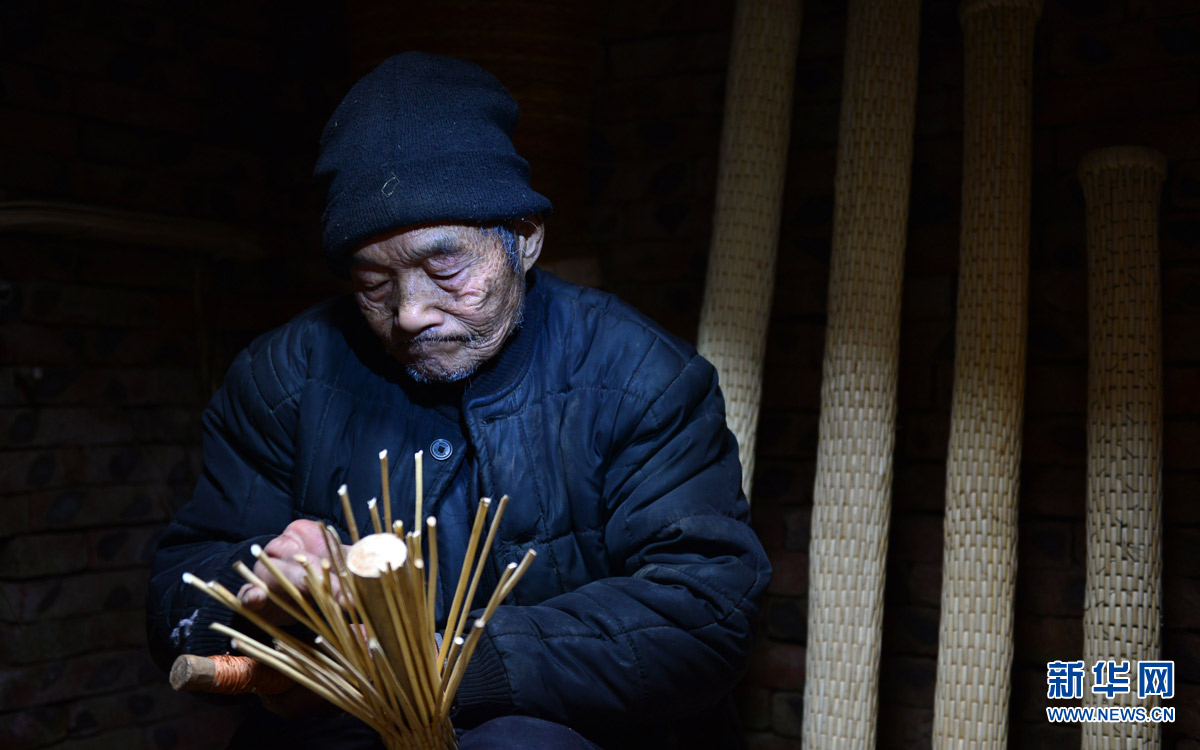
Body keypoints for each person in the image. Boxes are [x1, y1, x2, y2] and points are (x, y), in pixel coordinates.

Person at [147, 51, 770, 750]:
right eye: (373, 282)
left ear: (525, 240)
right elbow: (176, 590)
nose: (410, 312)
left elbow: (702, 609)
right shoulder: (284, 375)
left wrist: (447, 666)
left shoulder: (639, 375)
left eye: (445, 268)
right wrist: (267, 586)